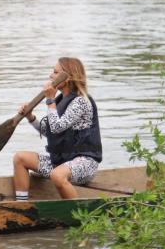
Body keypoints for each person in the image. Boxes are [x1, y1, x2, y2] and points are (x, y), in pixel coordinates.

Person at [12, 57, 102, 200]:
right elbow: (48, 131)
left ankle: (78, 217)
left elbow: (57, 127)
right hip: (60, 163)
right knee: (20, 158)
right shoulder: (60, 101)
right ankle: (21, 205)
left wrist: (49, 100)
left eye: (55, 72)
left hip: (85, 164)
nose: (50, 76)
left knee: (57, 175)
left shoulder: (81, 101)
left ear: (66, 78)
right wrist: (30, 117)